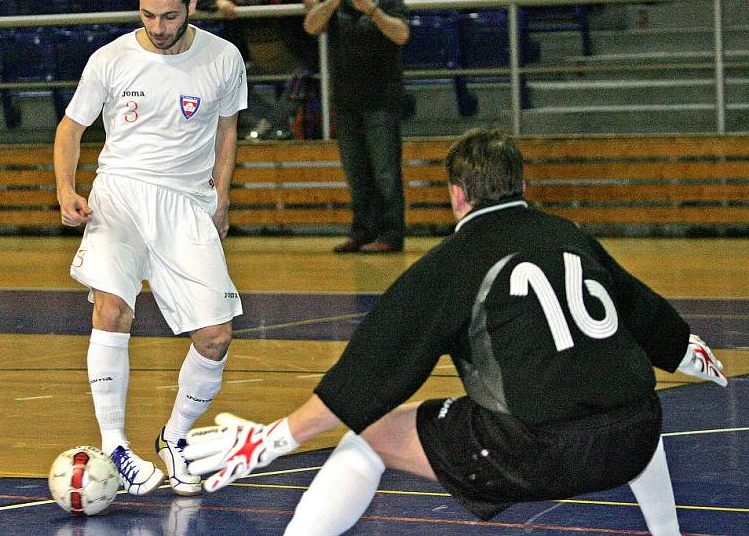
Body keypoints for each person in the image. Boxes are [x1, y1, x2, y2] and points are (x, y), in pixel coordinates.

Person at [183, 128, 728, 535]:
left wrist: (272, 440)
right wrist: (685, 350)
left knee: (370, 435)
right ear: (521, 183)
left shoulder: (454, 263)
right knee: (622, 394)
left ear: (456, 195)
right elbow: (646, 311)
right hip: (633, 439)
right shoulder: (569, 234)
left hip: (534, 453)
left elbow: (367, 381)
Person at [53, 0, 247, 497]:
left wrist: (222, 195)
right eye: (147, 16)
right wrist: (66, 189)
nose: (158, 29)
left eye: (168, 17)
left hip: (187, 205)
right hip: (119, 193)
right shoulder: (110, 59)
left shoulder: (224, 57)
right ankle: (114, 442)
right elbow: (71, 127)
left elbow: (227, 129)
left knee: (215, 336)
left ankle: (176, 438)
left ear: (191, 7)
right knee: (111, 307)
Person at [304, 0, 409, 254]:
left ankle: (391, 234)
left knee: (385, 174)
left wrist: (372, 10)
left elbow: (402, 35)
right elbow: (311, 27)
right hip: (347, 103)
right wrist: (334, 0)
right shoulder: (334, 4)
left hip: (382, 101)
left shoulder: (387, 1)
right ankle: (363, 232)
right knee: (357, 174)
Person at [200, 0, 324, 139]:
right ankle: (273, 128)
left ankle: (265, 127)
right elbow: (195, 0)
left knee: (304, 79)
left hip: (295, 64)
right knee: (227, 81)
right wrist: (217, 3)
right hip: (256, 66)